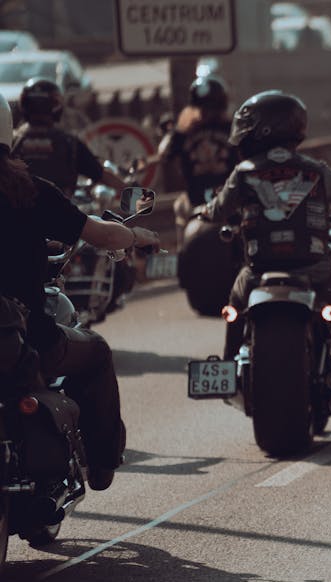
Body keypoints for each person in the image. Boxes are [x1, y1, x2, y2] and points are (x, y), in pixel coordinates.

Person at [0, 93, 160, 491]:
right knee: (98, 352)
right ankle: (102, 464)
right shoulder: (28, 190)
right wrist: (136, 233)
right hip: (26, 337)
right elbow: (102, 233)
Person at [204, 90, 331, 407]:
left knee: (235, 306)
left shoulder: (245, 172)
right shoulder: (315, 170)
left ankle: (227, 374)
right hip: (315, 272)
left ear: (261, 129)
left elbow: (217, 210)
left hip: (258, 272)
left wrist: (202, 212)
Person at [143, 76, 238, 239]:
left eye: (212, 108)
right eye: (202, 109)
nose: (207, 113)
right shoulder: (184, 132)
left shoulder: (233, 129)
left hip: (229, 196)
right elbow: (165, 154)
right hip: (195, 198)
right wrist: (178, 129)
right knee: (181, 207)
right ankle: (184, 255)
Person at [12, 78, 126, 195]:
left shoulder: (11, 141)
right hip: (59, 211)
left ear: (24, 104)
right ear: (56, 105)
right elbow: (101, 175)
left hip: (17, 211)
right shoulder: (69, 143)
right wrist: (133, 195)